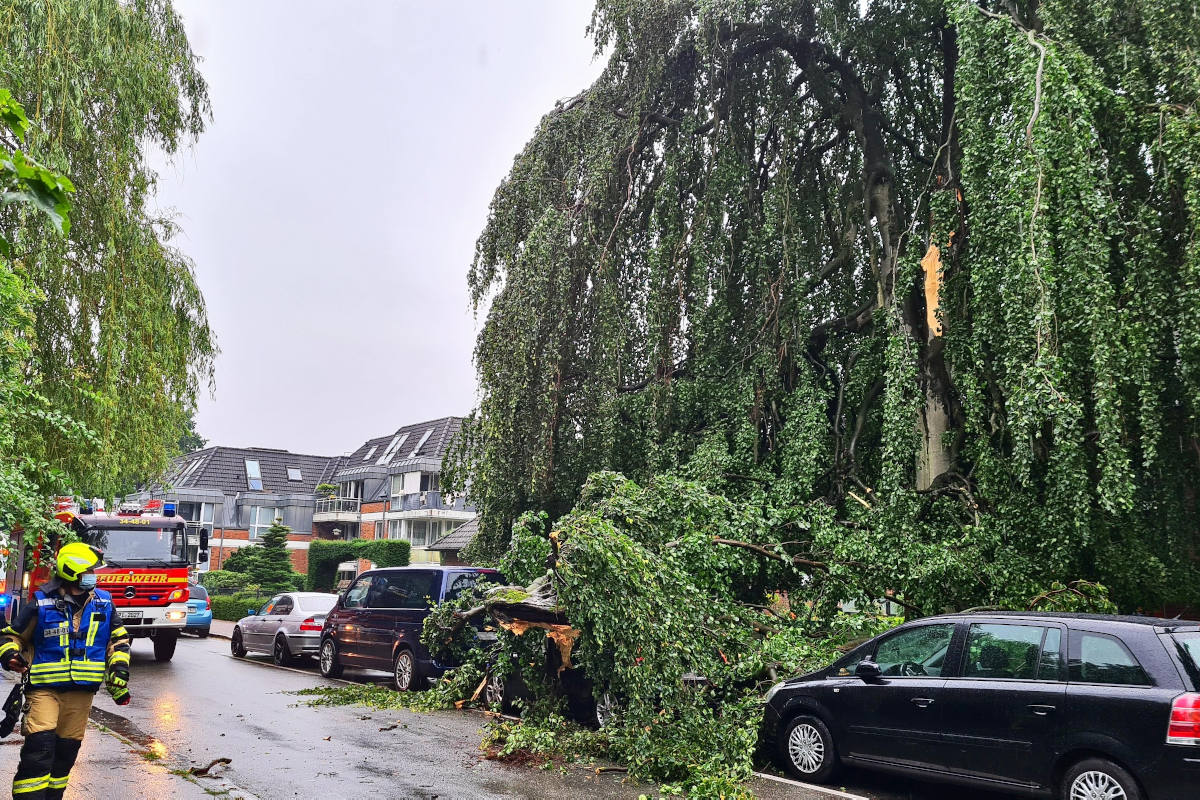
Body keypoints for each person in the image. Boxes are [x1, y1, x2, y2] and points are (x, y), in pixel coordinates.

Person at [0, 543, 130, 799]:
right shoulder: (41, 603)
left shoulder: (104, 602)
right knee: (39, 749)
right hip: (44, 691)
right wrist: (9, 656)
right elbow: (11, 637)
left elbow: (118, 640)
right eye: (88, 570)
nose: (94, 574)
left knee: (65, 755)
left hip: (81, 693)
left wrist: (119, 668)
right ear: (72, 572)